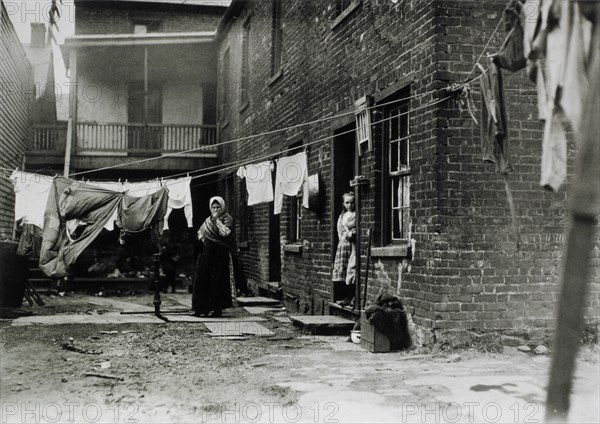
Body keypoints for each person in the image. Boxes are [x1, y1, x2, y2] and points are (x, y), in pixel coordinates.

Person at [189, 196, 234, 317]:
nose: (215, 209)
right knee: (202, 278)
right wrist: (204, 239)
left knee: (217, 280)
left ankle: (216, 309)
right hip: (208, 251)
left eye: (218, 207)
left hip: (220, 252)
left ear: (222, 207)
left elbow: (225, 233)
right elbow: (200, 232)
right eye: (213, 207)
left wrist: (217, 221)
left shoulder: (227, 218)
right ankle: (200, 308)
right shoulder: (207, 219)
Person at [332, 191, 356, 306]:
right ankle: (346, 296)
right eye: (347, 203)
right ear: (344, 204)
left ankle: (351, 296)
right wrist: (342, 239)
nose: (350, 205)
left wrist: (350, 235)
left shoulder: (355, 215)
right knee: (342, 268)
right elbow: (339, 230)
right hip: (342, 245)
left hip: (351, 245)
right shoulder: (342, 216)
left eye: (352, 202)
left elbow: (354, 231)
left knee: (350, 269)